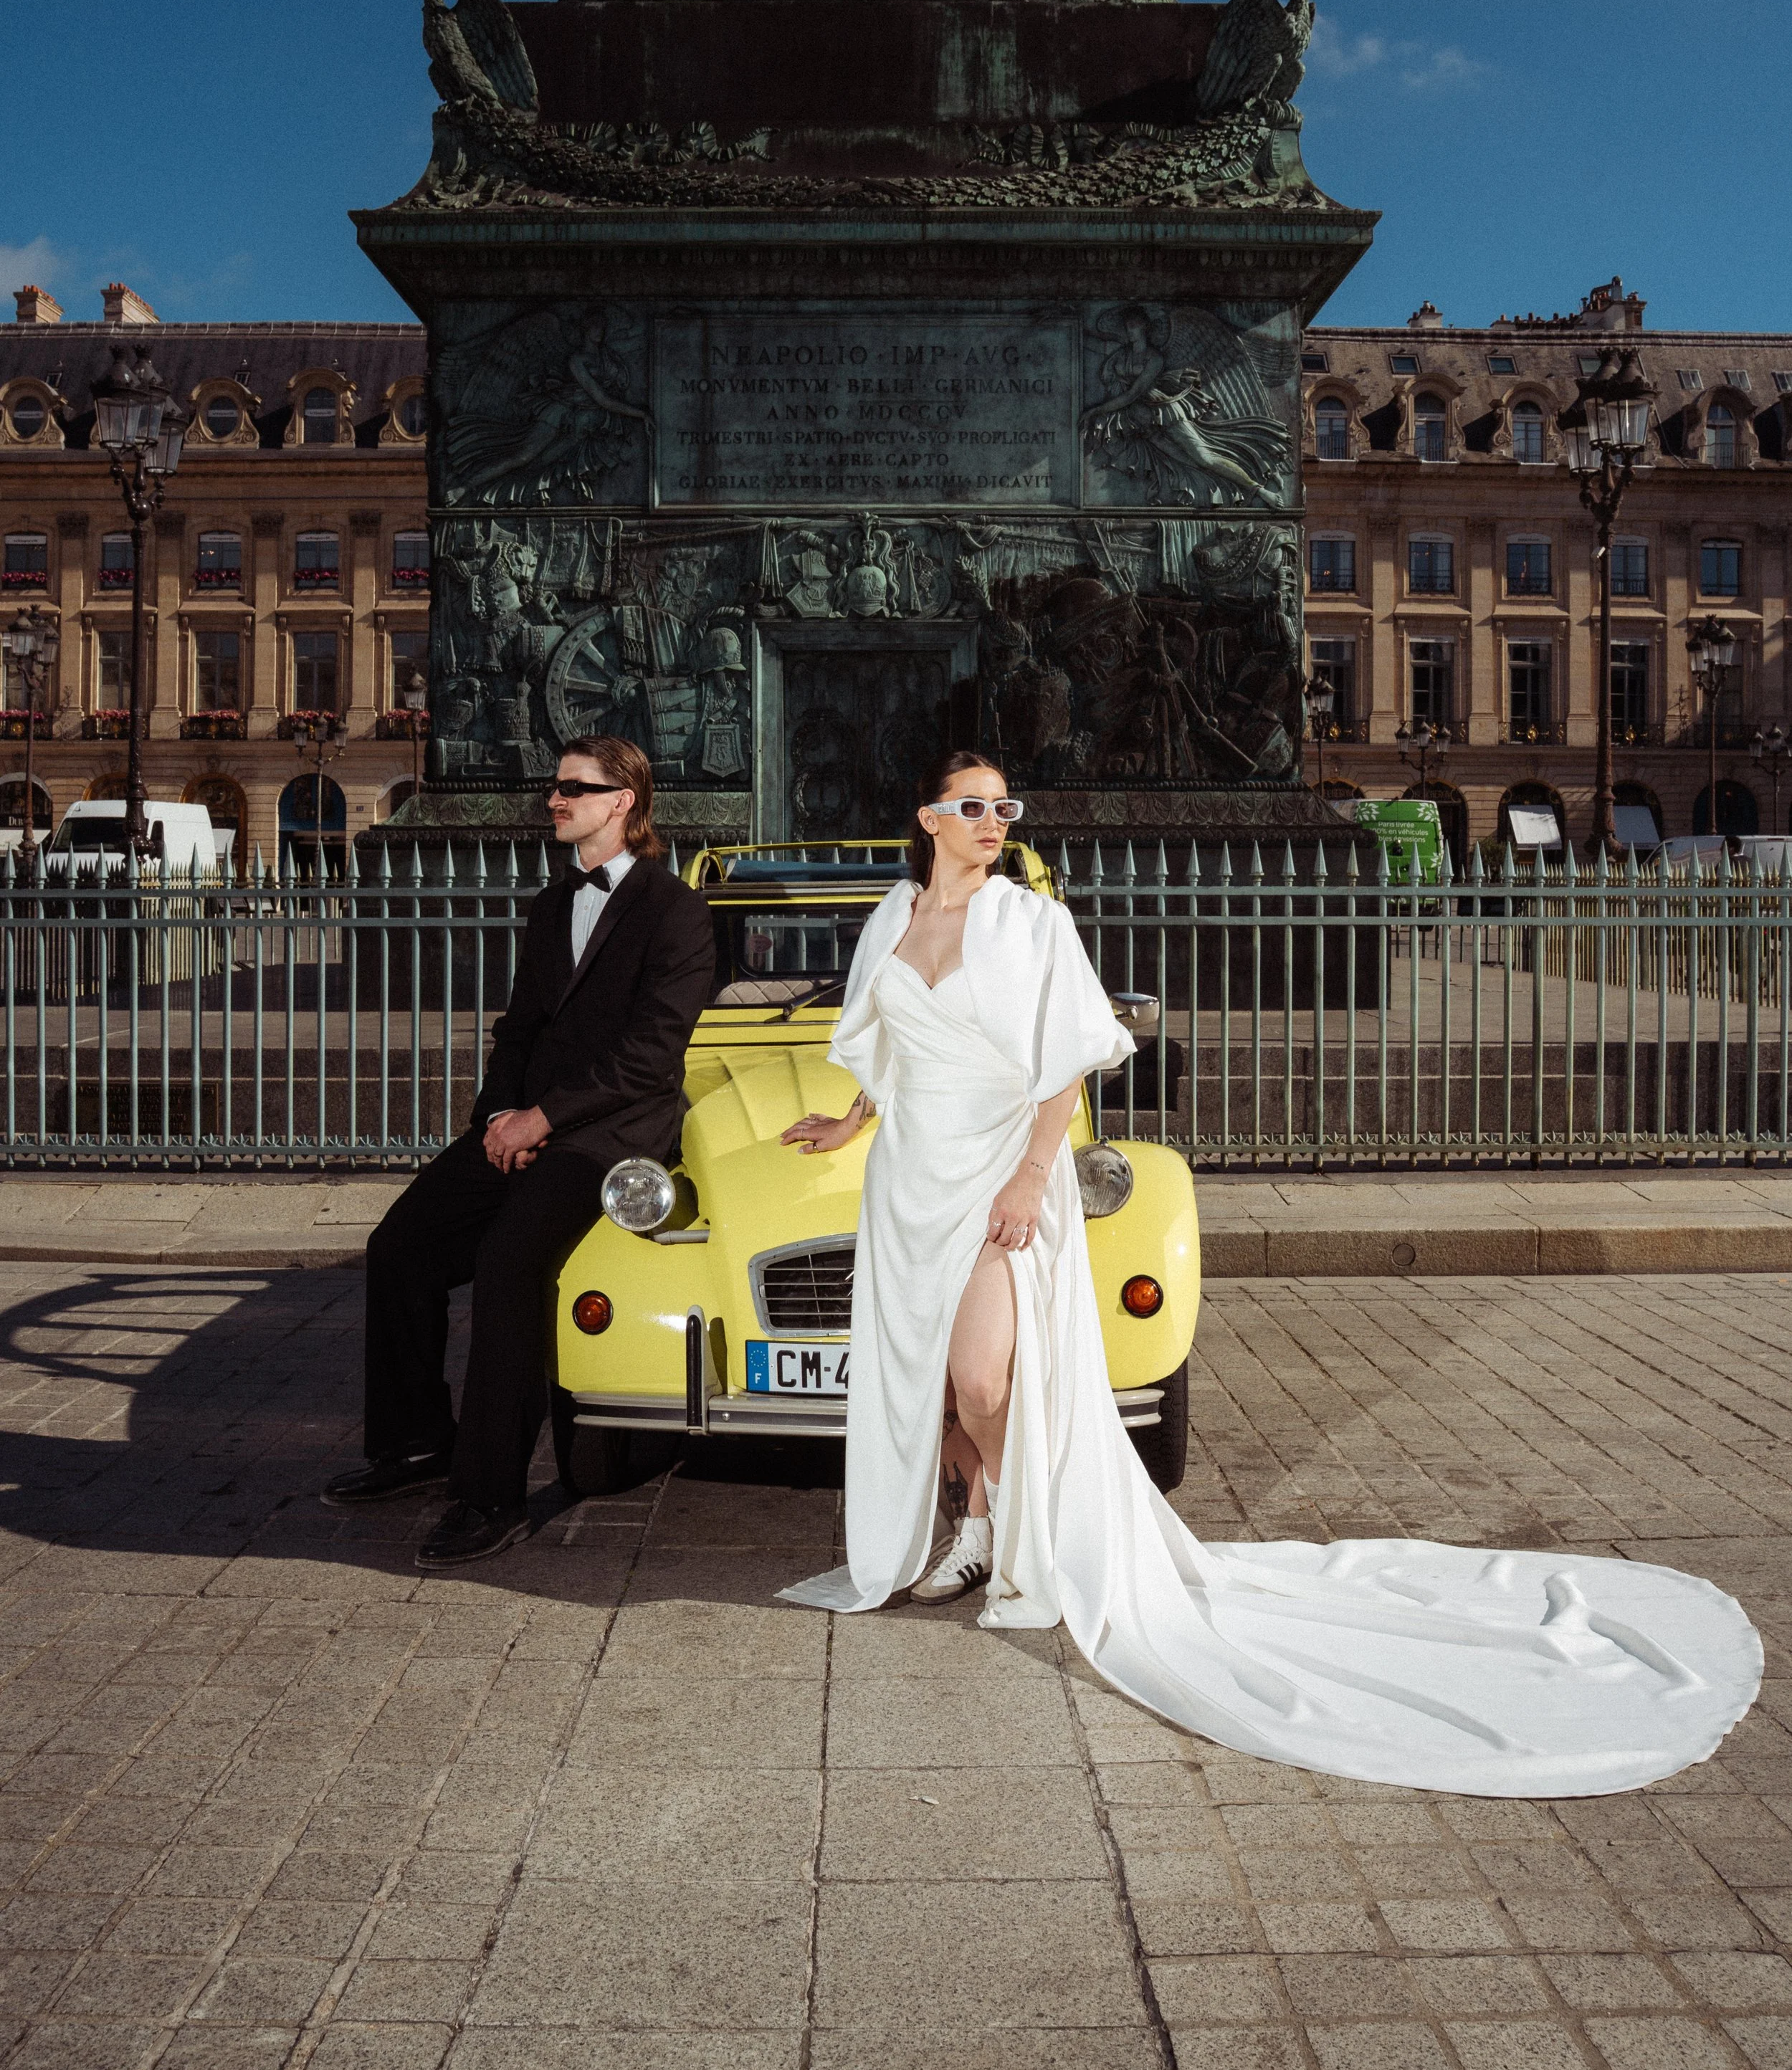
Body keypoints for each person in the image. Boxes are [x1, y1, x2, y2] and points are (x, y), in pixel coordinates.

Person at [777, 751, 1763, 1797]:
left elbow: (1067, 1062)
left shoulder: (1031, 922)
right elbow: (882, 1042)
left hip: (996, 1173)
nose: (993, 820)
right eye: (972, 806)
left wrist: (1031, 1176)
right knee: (929, 1370)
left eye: (1004, 806)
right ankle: (975, 1523)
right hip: (907, 1180)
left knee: (983, 1377)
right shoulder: (891, 915)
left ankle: (1019, 1540)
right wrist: (847, 1119)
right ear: (928, 814)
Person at [323, 735, 715, 1568]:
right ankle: (418, 1445)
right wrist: (500, 1113)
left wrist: (544, 1118)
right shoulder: (550, 904)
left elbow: (650, 1055)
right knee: (400, 1248)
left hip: (609, 1138)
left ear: (624, 803)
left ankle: (488, 1494)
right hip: (525, 1122)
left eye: (576, 788)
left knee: (508, 1265)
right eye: (555, 785)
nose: (555, 799)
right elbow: (520, 1029)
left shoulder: (674, 909)